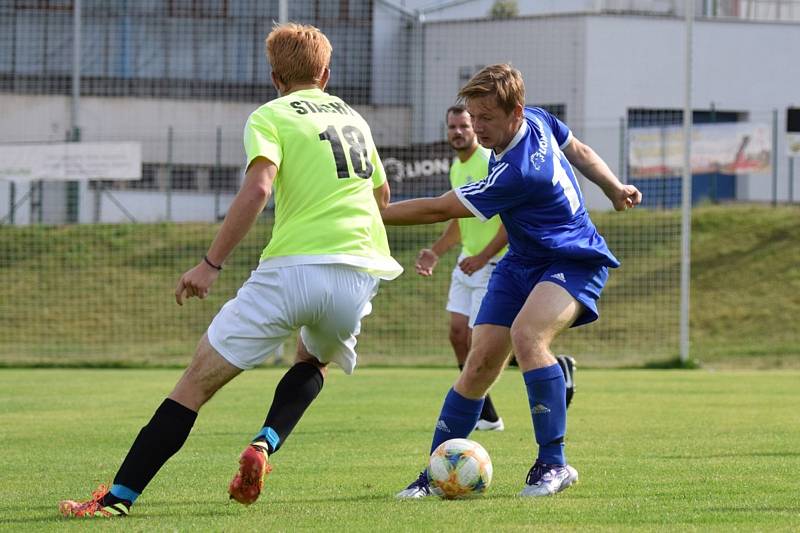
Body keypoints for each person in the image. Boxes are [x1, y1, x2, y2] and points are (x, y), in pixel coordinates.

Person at [59, 22, 402, 518]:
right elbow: (383, 198)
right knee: (312, 362)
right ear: (326, 73)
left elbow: (259, 188)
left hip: (291, 269)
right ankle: (264, 443)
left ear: (273, 76)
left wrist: (210, 263)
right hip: (358, 271)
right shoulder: (355, 119)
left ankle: (117, 499)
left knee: (194, 385)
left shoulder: (271, 115)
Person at [383, 64, 642, 498]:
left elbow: (439, 209)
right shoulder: (538, 118)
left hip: (572, 258)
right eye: (473, 116)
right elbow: (576, 148)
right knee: (479, 363)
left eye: (486, 118)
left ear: (514, 112)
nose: (477, 127)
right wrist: (613, 187)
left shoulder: (518, 171)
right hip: (521, 261)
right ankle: (433, 474)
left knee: (528, 337)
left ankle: (554, 464)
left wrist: (374, 213)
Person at [419, 106, 577, 432]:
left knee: (489, 341)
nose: (459, 131)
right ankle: (487, 412)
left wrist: (483, 256)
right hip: (467, 261)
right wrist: (435, 252)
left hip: (493, 262)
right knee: (458, 333)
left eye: (465, 124)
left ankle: (553, 371)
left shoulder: (487, 162)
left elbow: (509, 222)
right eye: (453, 126)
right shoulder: (456, 167)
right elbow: (458, 220)